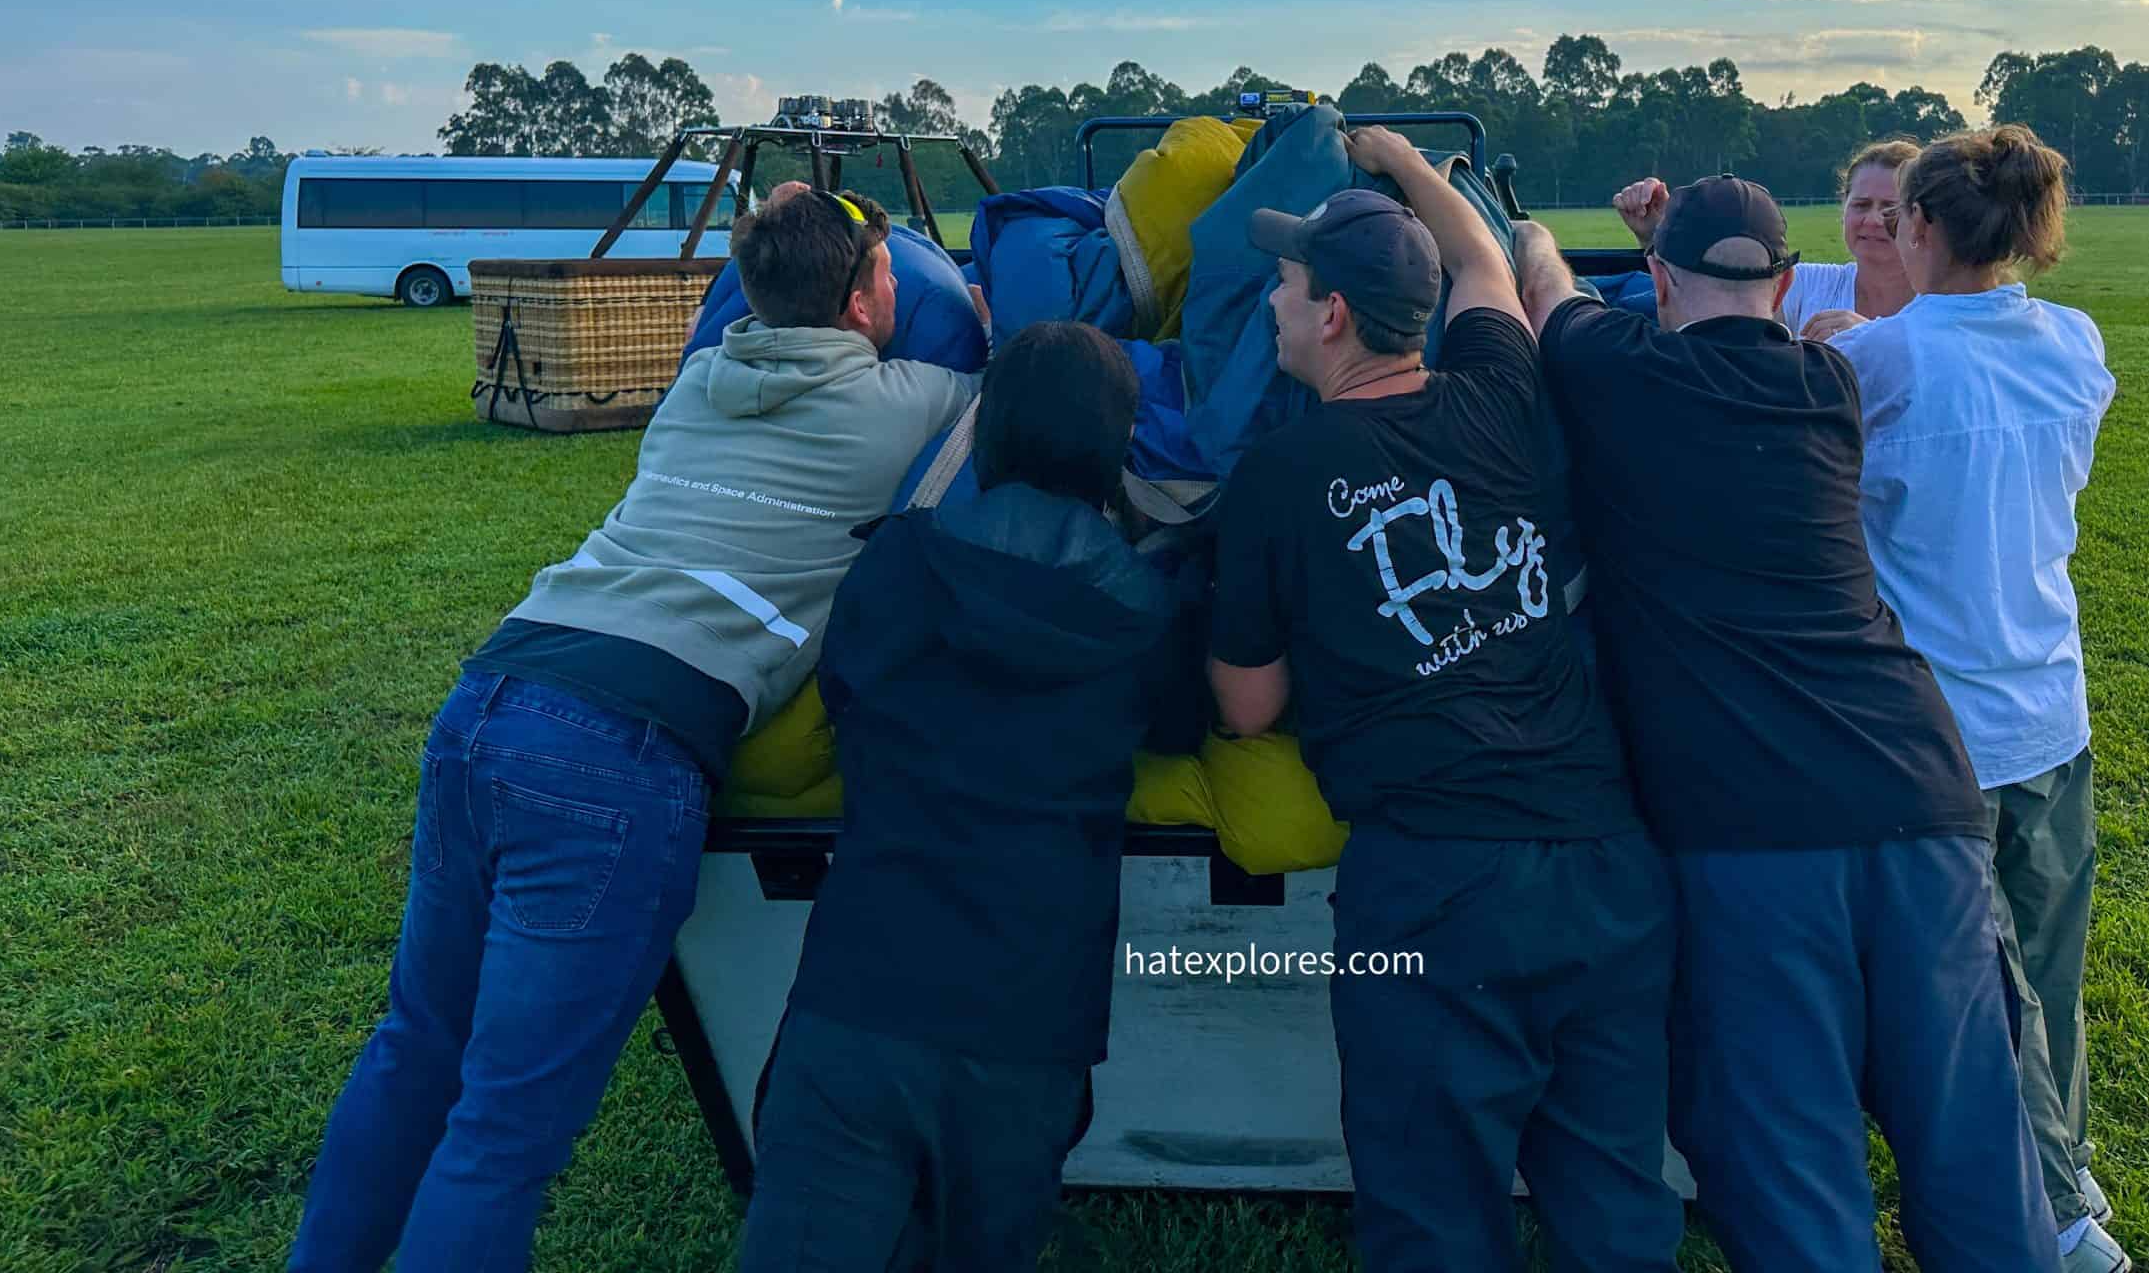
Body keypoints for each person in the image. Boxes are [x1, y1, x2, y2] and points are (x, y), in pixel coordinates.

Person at [290, 187, 976, 1273]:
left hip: (493, 694)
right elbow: (1011, 379)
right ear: (859, 305)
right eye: (885, 275)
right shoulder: (909, 406)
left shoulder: (692, 387)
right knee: (504, 1130)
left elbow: (765, 304)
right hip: (618, 751)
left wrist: (796, 239)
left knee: (415, 1047)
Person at [1516, 176, 2061, 1273]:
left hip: (1751, 824)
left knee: (1789, 1154)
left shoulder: (1617, 368)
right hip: (1921, 790)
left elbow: (1538, 288)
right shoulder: (1830, 380)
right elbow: (1835, 329)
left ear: (1658, 278)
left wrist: (1524, 228)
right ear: (1782, 282)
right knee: (1970, 1136)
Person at [1210, 127, 1681, 1273]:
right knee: (1614, 1203)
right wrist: (1412, 167)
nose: (1271, 303)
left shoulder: (1279, 474)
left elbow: (1251, 707)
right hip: (1602, 864)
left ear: (1330, 315)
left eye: (1285, 284)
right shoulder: (1503, 393)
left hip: (1432, 887)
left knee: (1431, 1216)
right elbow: (1481, 263)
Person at [737, 321, 1173, 1272]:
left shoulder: (897, 563)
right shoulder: (1145, 615)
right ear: (1118, 445)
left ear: (988, 433)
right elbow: (1180, 726)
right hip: (1028, 1025)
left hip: (859, 993)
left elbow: (844, 691)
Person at [1821, 126, 2124, 1273]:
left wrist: (1832, 341)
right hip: (2053, 707)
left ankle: (2059, 1220)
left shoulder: (1881, 362)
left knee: (1986, 998)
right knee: (2047, 971)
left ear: (1920, 225)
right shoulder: (2075, 342)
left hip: (1943, 735)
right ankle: (2068, 1159)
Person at [1610, 137, 1916, 341]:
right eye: (1861, 205)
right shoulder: (1810, 285)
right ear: (1843, 209)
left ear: (1920, 218)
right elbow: (1711, 316)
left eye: (1889, 208)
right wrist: (1662, 234)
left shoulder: (1939, 306)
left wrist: (1875, 340)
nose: (1873, 220)